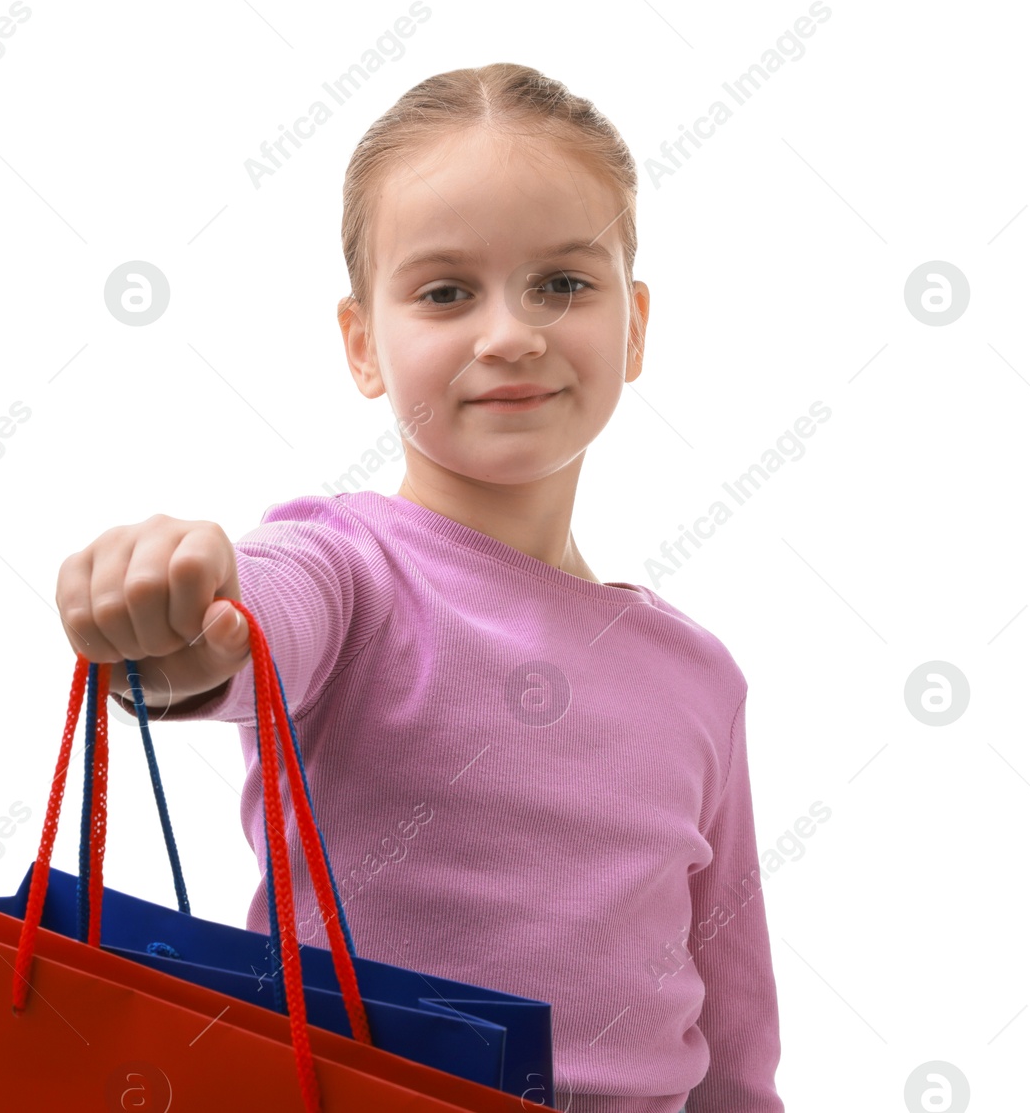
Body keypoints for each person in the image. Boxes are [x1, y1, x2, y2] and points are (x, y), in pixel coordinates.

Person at [56, 63, 784, 1113]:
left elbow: (731, 1023)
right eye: (446, 291)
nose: (509, 332)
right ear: (364, 345)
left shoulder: (698, 675)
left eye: (562, 285)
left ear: (633, 324)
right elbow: (245, 623)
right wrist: (177, 622)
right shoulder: (346, 569)